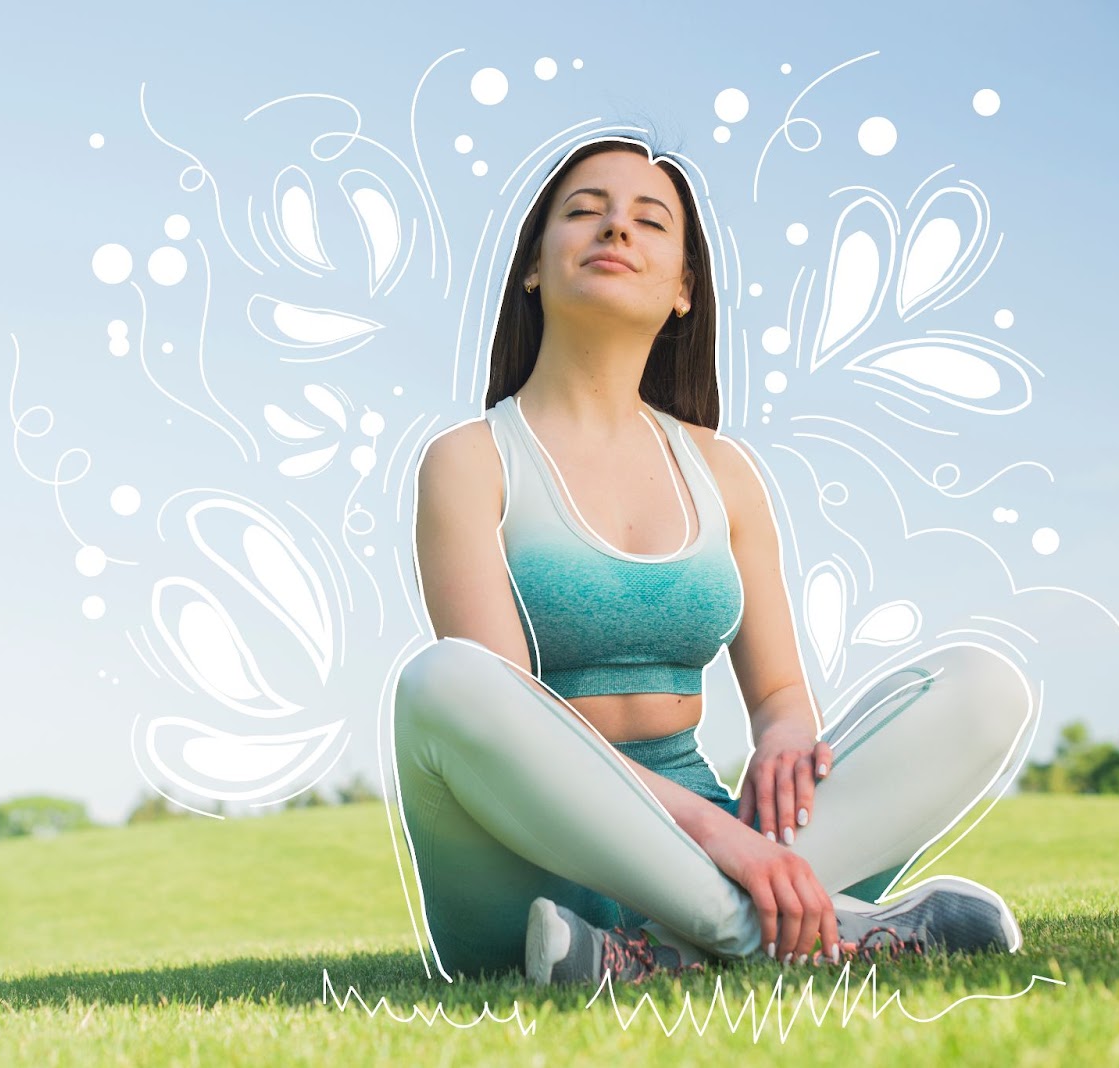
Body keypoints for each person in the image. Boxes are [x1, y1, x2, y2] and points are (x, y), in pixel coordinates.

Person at [391, 136, 1035, 985]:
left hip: (718, 846)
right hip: (530, 877)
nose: (615, 228)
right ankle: (806, 928)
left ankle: (655, 955)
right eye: (584, 211)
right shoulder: (471, 461)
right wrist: (719, 834)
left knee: (987, 688)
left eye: (649, 222)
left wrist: (787, 740)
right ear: (534, 268)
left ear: (685, 289)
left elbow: (778, 698)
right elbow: (514, 722)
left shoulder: (724, 472)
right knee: (445, 681)